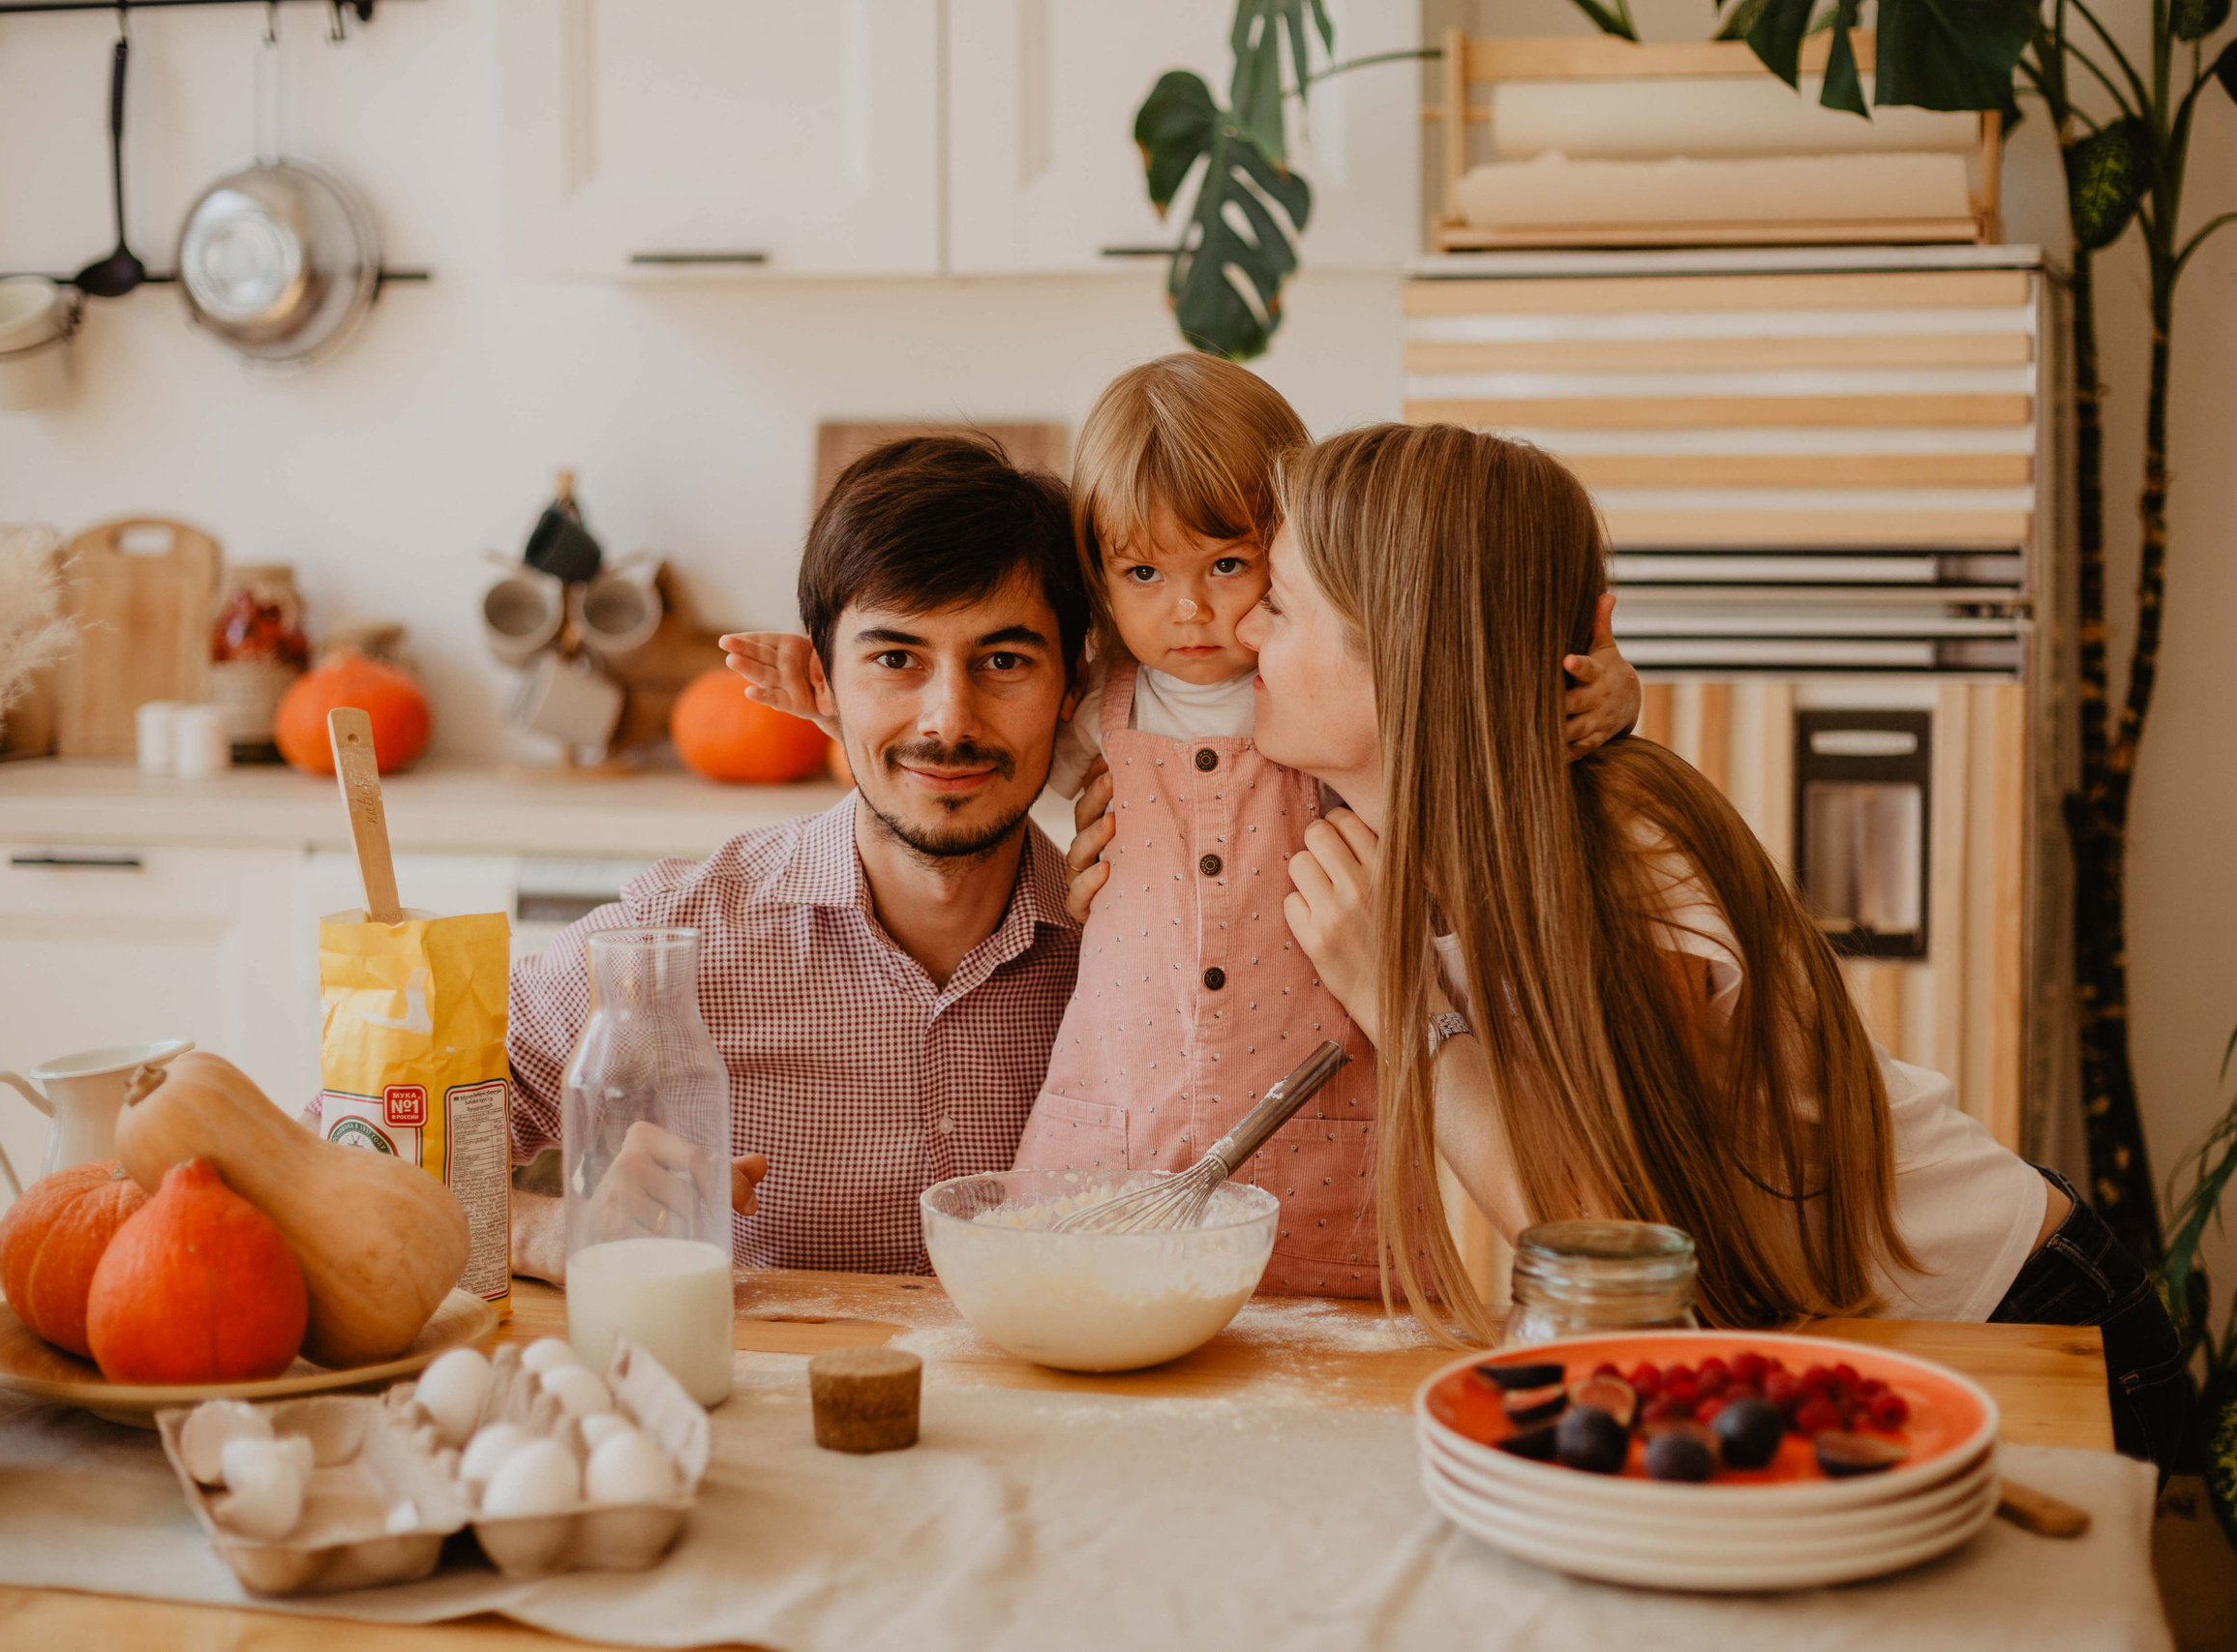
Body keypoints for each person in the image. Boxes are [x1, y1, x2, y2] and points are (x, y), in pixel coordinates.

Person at [1238, 421, 2188, 1472]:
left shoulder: (1625, 852)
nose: (1237, 626)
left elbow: (1615, 1268)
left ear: (1407, 651)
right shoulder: (1397, 843)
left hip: (2017, 1321)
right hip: (1833, 1347)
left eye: (1278, 602)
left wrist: (1404, 1008)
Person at [727, 354, 1643, 1296]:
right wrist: (837, 697)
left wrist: (1602, 692)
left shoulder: (1326, 708)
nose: (1192, 608)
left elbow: (1457, 715)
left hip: (1324, 1145)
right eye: (1143, 573)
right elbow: (970, 740)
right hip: (1120, 1131)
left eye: (1231, 567)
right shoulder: (1096, 705)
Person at [506, 435, 1089, 1282]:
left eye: (1004, 661)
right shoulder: (676, 942)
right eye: (896, 659)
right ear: (821, 684)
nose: (949, 720)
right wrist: (547, 1230)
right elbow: (361, 1137)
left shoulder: (1136, 953)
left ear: (1074, 687)